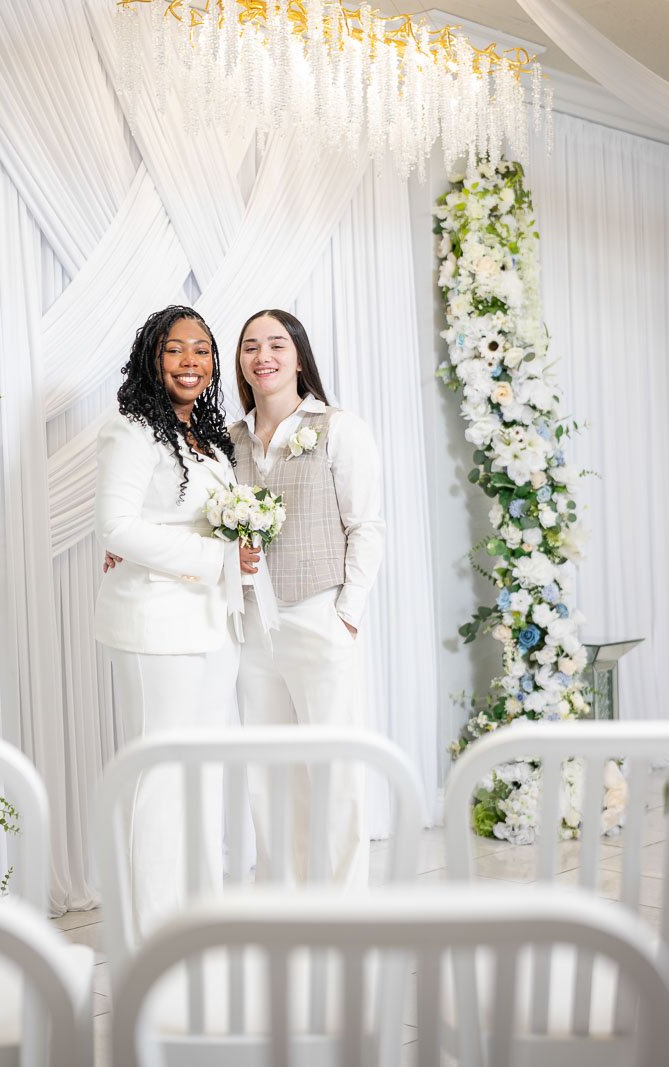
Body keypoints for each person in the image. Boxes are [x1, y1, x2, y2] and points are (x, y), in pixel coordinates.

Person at [93, 304, 255, 934]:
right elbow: (117, 527)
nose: (192, 362)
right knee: (158, 779)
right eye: (176, 350)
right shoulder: (130, 431)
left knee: (204, 774)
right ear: (152, 359)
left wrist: (237, 556)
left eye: (202, 351)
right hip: (155, 625)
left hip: (214, 624)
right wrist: (214, 556)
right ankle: (151, 933)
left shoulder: (208, 439)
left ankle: (201, 919)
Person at [230, 308, 384, 890]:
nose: (262, 356)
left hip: (320, 613)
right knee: (269, 773)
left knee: (335, 767)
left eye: (275, 344)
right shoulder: (231, 440)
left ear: (298, 355)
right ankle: (282, 900)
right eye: (250, 347)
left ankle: (344, 904)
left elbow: (366, 525)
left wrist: (347, 614)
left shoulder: (338, 427)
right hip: (253, 626)